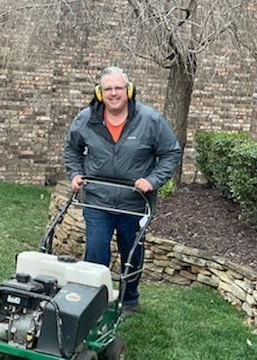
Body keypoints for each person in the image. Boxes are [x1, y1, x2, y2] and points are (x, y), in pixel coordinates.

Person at [64, 66, 181, 313]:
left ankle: (129, 300)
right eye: (108, 89)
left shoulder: (150, 120)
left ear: (128, 90)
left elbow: (171, 152)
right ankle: (93, 301)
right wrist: (74, 174)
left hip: (134, 201)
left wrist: (153, 179)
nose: (114, 93)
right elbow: (72, 149)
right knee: (95, 252)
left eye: (119, 88)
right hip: (98, 199)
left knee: (132, 252)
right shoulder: (86, 119)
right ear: (99, 93)